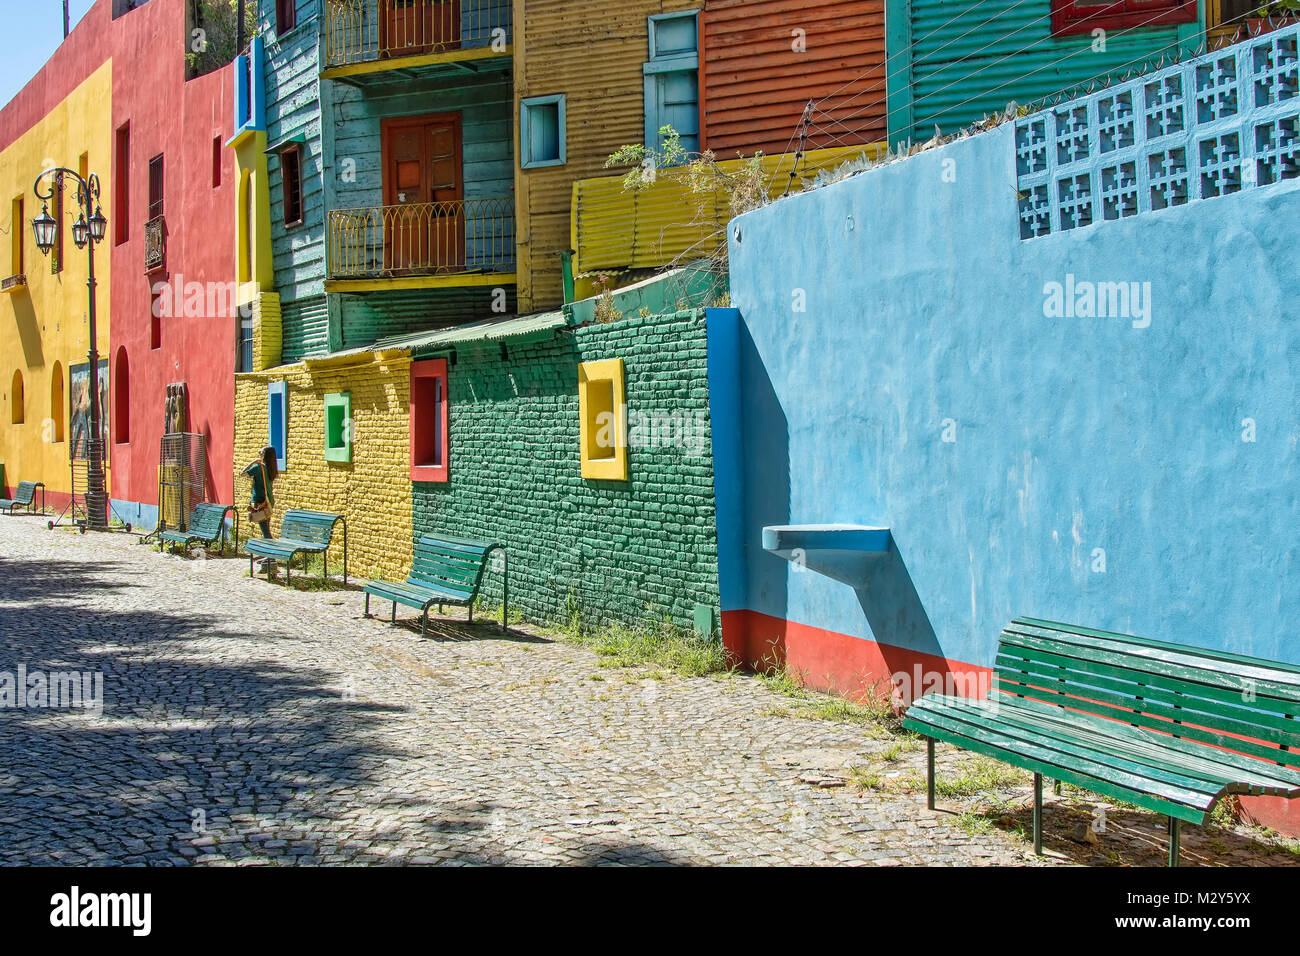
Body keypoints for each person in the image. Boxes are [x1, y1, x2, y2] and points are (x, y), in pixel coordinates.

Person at [244, 445, 278, 572]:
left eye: (260, 452)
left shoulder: (259, 467)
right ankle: (268, 555)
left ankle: (271, 557)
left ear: (264, 455)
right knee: (266, 528)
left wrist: (253, 462)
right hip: (268, 502)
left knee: (265, 531)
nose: (259, 454)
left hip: (260, 503)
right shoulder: (271, 468)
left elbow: (242, 474)